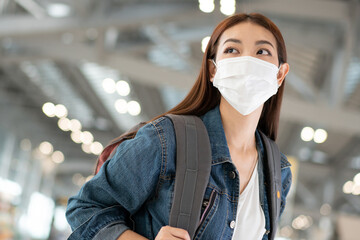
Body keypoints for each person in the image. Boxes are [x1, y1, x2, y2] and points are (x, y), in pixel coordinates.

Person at [66, 13, 292, 240]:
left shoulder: (278, 171)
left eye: (262, 51)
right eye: (232, 50)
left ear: (280, 74)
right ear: (213, 70)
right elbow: (86, 208)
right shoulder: (168, 140)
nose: (246, 62)